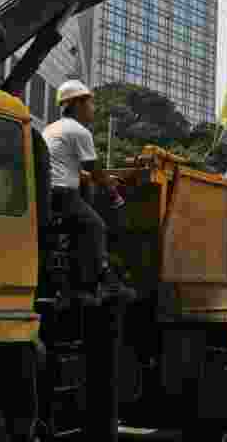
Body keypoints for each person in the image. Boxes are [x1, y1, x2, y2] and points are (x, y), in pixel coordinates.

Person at [43, 80, 135, 303]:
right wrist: (113, 192)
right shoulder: (79, 131)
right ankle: (101, 283)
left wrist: (95, 178)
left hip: (48, 193)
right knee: (95, 226)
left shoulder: (51, 128)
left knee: (80, 227)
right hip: (63, 193)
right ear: (77, 104)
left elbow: (66, 165)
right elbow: (94, 168)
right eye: (91, 104)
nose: (93, 109)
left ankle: (74, 283)